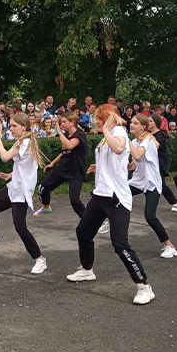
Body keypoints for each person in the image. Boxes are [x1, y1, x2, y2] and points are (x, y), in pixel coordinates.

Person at [65, 105, 155, 305]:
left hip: (117, 198)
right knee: (83, 232)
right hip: (101, 195)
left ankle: (144, 286)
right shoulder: (107, 135)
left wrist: (106, 129)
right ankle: (87, 270)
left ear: (108, 118)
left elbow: (120, 148)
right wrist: (99, 167)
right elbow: (116, 160)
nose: (95, 121)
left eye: (98, 117)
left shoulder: (118, 131)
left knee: (120, 244)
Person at [0, 113, 48, 275]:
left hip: (21, 193)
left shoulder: (26, 142)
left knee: (20, 227)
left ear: (24, 126)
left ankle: (40, 259)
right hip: (13, 187)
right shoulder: (23, 141)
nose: (11, 128)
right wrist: (11, 174)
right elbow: (26, 166)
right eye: (11, 125)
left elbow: (4, 157)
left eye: (14, 125)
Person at [128, 114, 177, 258]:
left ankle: (169, 246)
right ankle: (106, 221)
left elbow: (137, 155)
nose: (131, 125)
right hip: (138, 180)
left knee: (150, 216)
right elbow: (134, 164)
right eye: (131, 122)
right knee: (116, 194)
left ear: (143, 127)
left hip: (152, 183)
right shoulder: (135, 141)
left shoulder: (148, 139)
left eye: (135, 123)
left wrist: (126, 141)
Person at [34, 112, 88, 219]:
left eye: (64, 122)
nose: (62, 124)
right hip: (63, 169)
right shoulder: (67, 135)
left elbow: (69, 146)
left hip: (76, 171)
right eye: (61, 122)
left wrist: (58, 131)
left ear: (72, 122)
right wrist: (53, 163)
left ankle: (89, 220)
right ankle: (46, 206)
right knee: (43, 187)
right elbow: (64, 152)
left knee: (75, 201)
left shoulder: (79, 135)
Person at [148, 113, 177, 207]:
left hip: (159, 163)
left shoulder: (159, 135)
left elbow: (155, 148)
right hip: (152, 163)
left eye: (150, 121)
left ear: (156, 123)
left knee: (161, 184)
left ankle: (174, 202)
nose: (148, 123)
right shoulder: (150, 134)